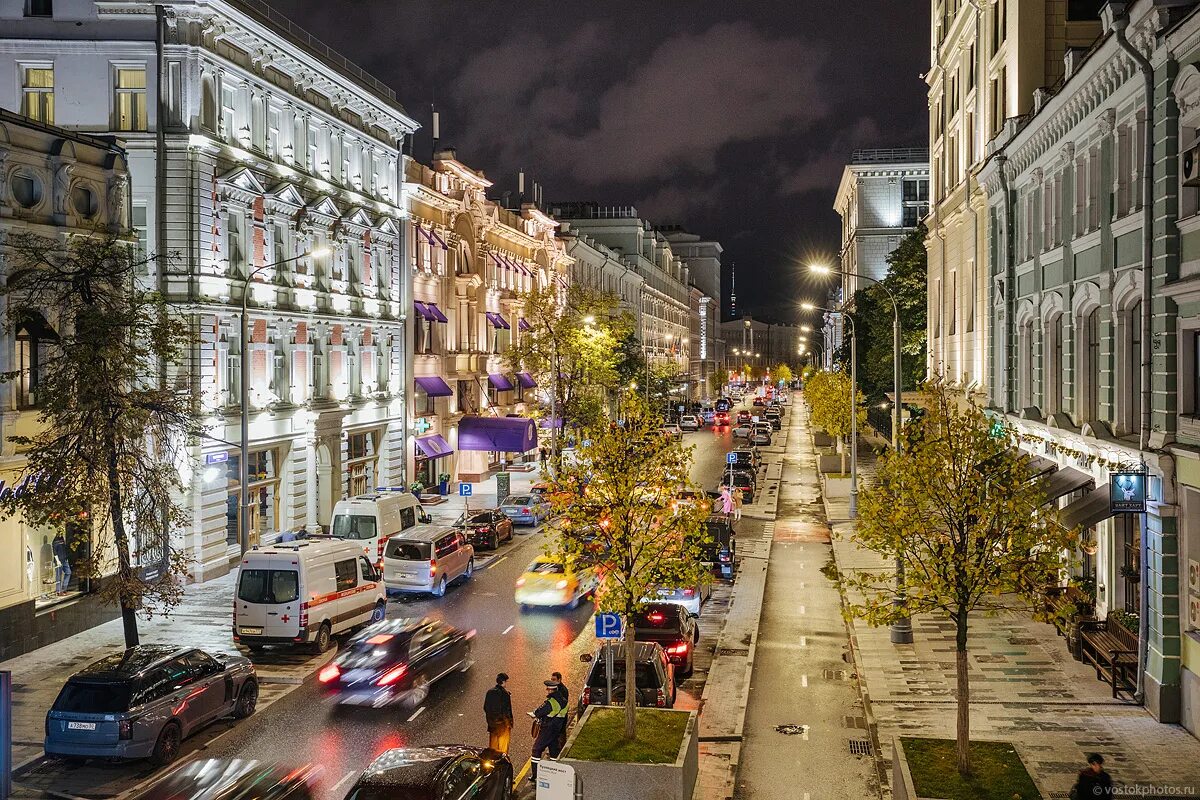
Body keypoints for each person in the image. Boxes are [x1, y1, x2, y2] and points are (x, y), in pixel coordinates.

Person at [530, 680, 569, 780]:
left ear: (551, 690)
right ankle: (554, 774)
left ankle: (535, 776)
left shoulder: (551, 702)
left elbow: (538, 712)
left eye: (547, 689)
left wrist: (534, 713)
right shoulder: (564, 701)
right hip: (557, 729)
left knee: (536, 750)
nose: (547, 690)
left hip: (547, 728)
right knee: (554, 752)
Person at [483, 673, 514, 754]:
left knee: (493, 748)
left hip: (492, 726)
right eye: (506, 681)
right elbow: (505, 711)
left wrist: (490, 721)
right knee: (503, 750)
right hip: (502, 726)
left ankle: (492, 763)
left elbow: (486, 707)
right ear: (503, 681)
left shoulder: (489, 692)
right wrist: (508, 723)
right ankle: (502, 764)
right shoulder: (505, 694)